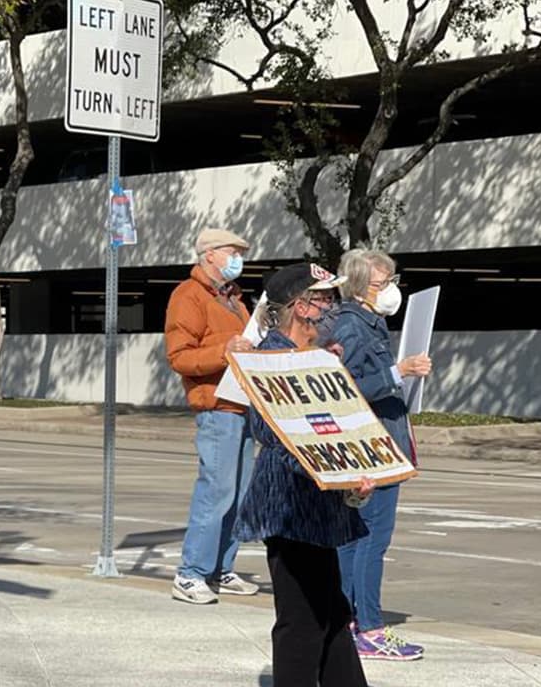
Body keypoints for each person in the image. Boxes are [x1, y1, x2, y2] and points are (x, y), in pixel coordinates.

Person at [235, 263, 374, 687]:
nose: (332, 308)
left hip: (319, 507)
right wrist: (337, 474)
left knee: (332, 613)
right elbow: (275, 434)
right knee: (302, 621)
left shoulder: (315, 356)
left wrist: (354, 472)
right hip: (290, 509)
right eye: (324, 299)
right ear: (301, 307)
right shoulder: (270, 360)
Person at [331, 248, 432, 661]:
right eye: (381, 283)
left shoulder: (367, 323)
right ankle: (368, 625)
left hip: (381, 440)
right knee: (371, 538)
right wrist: (398, 372)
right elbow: (347, 387)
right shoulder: (353, 326)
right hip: (373, 446)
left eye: (391, 281)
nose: (390, 291)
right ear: (357, 286)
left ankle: (347, 622)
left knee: (357, 539)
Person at [165, 227, 260, 604]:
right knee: (216, 492)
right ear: (209, 255)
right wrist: (226, 350)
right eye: (232, 252)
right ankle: (190, 573)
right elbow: (179, 357)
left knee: (239, 494)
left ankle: (221, 567)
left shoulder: (234, 299)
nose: (239, 258)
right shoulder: (188, 296)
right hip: (217, 406)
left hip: (244, 403)